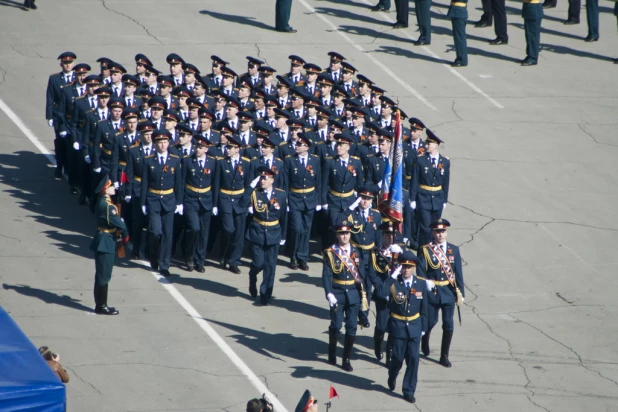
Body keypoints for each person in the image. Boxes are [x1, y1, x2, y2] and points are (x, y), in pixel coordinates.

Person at [375, 250, 428, 404]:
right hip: (397, 327)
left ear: (413, 268)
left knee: (413, 359)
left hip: (414, 327)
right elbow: (380, 293)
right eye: (403, 266)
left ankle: (408, 390)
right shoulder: (394, 283)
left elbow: (424, 308)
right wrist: (392, 276)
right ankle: (392, 375)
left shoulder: (421, 283)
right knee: (397, 358)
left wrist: (423, 327)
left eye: (409, 267)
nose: (406, 270)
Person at [417, 219, 465, 368]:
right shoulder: (425, 250)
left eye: (442, 231)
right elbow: (420, 270)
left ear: (446, 232)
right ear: (433, 233)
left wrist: (460, 293)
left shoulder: (454, 250)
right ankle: (425, 339)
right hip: (433, 292)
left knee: (448, 325)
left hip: (448, 292)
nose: (440, 234)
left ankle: (444, 355)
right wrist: (425, 282)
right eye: (437, 232)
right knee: (431, 322)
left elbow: (458, 273)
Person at [323, 222, 366, 372]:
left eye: (347, 233)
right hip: (338, 292)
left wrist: (364, 295)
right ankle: (332, 351)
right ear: (337, 235)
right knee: (336, 325)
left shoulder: (356, 251)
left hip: (353, 294)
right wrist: (329, 292)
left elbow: (362, 275)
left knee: (352, 328)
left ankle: (346, 359)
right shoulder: (330, 252)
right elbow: (327, 275)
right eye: (341, 234)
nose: (345, 236)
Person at [140, 130, 182, 277]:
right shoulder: (148, 160)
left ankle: (165, 264)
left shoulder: (175, 160)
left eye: (165, 142)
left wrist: (179, 202)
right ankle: (153, 255)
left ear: (168, 143)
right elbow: (144, 182)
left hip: (169, 199)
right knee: (155, 231)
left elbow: (178, 182)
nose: (163, 145)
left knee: (167, 234)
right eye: (159, 142)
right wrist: (143, 202)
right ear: (155, 144)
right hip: (153, 198)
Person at [247, 166, 287, 305]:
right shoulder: (255, 193)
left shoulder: (281, 195)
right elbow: (242, 203)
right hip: (257, 231)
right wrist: (250, 187)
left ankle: (265, 295)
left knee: (270, 266)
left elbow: (284, 216)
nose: (262, 180)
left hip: (274, 232)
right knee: (258, 263)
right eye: (260, 178)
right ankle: (253, 275)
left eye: (265, 178)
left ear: (272, 179)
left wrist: (284, 235)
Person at [213, 135, 252, 274]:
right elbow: (216, 183)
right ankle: (223, 254)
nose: (227, 150)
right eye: (227, 147)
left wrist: (247, 203)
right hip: (225, 199)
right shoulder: (222, 162)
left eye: (230, 148)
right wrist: (215, 204)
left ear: (238, 149)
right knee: (229, 229)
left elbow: (248, 184)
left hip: (240, 200)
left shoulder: (246, 163)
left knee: (239, 234)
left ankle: (234, 261)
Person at [90, 175, 129, 315]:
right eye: (111, 187)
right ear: (105, 190)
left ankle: (101, 304)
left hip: (104, 238)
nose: (114, 188)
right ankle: (101, 306)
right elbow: (122, 226)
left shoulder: (104, 202)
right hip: (106, 241)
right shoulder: (108, 207)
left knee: (101, 274)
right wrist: (125, 237)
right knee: (104, 275)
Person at [178, 135, 217, 273]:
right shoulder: (188, 161)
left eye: (201, 147)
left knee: (203, 232)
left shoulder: (212, 162)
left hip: (206, 200)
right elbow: (182, 182)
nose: (198, 149)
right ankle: (189, 256)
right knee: (194, 228)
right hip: (191, 199)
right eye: (196, 146)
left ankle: (200, 260)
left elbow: (215, 183)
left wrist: (215, 203)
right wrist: (180, 202)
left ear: (206, 149)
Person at [284, 133, 322, 270]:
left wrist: (318, 200)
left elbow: (319, 180)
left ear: (307, 147)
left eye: (300, 145)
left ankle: (302, 258)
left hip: (310, 199)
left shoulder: (315, 160)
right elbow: (285, 182)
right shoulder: (290, 160)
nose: (297, 146)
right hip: (295, 199)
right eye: (297, 144)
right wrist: (286, 200)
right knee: (297, 229)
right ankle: (293, 256)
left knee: (306, 230)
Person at [367, 222, 403, 363]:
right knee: (382, 325)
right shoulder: (375, 253)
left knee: (394, 327)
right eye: (387, 235)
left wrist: (400, 254)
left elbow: (411, 265)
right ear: (382, 236)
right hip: (383, 292)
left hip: (397, 294)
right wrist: (381, 288)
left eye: (392, 235)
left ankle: (389, 355)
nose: (390, 238)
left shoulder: (400, 252)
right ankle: (378, 343)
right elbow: (372, 274)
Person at [410, 130, 450, 249]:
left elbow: (446, 182)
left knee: (435, 226)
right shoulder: (421, 160)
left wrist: (444, 200)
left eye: (429, 144)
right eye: (426, 143)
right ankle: (423, 250)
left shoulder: (445, 161)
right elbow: (415, 180)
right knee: (425, 226)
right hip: (423, 198)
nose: (426, 146)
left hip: (437, 198)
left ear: (436, 145)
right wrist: (412, 199)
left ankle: (433, 249)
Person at [521, 0, 544, 66]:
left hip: (533, 6)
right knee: (529, 34)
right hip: (528, 5)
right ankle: (530, 55)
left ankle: (533, 57)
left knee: (533, 35)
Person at [448, 0, 469, 67]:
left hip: (459, 11)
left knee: (459, 38)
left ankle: (461, 59)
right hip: (457, 10)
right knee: (458, 37)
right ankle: (460, 57)